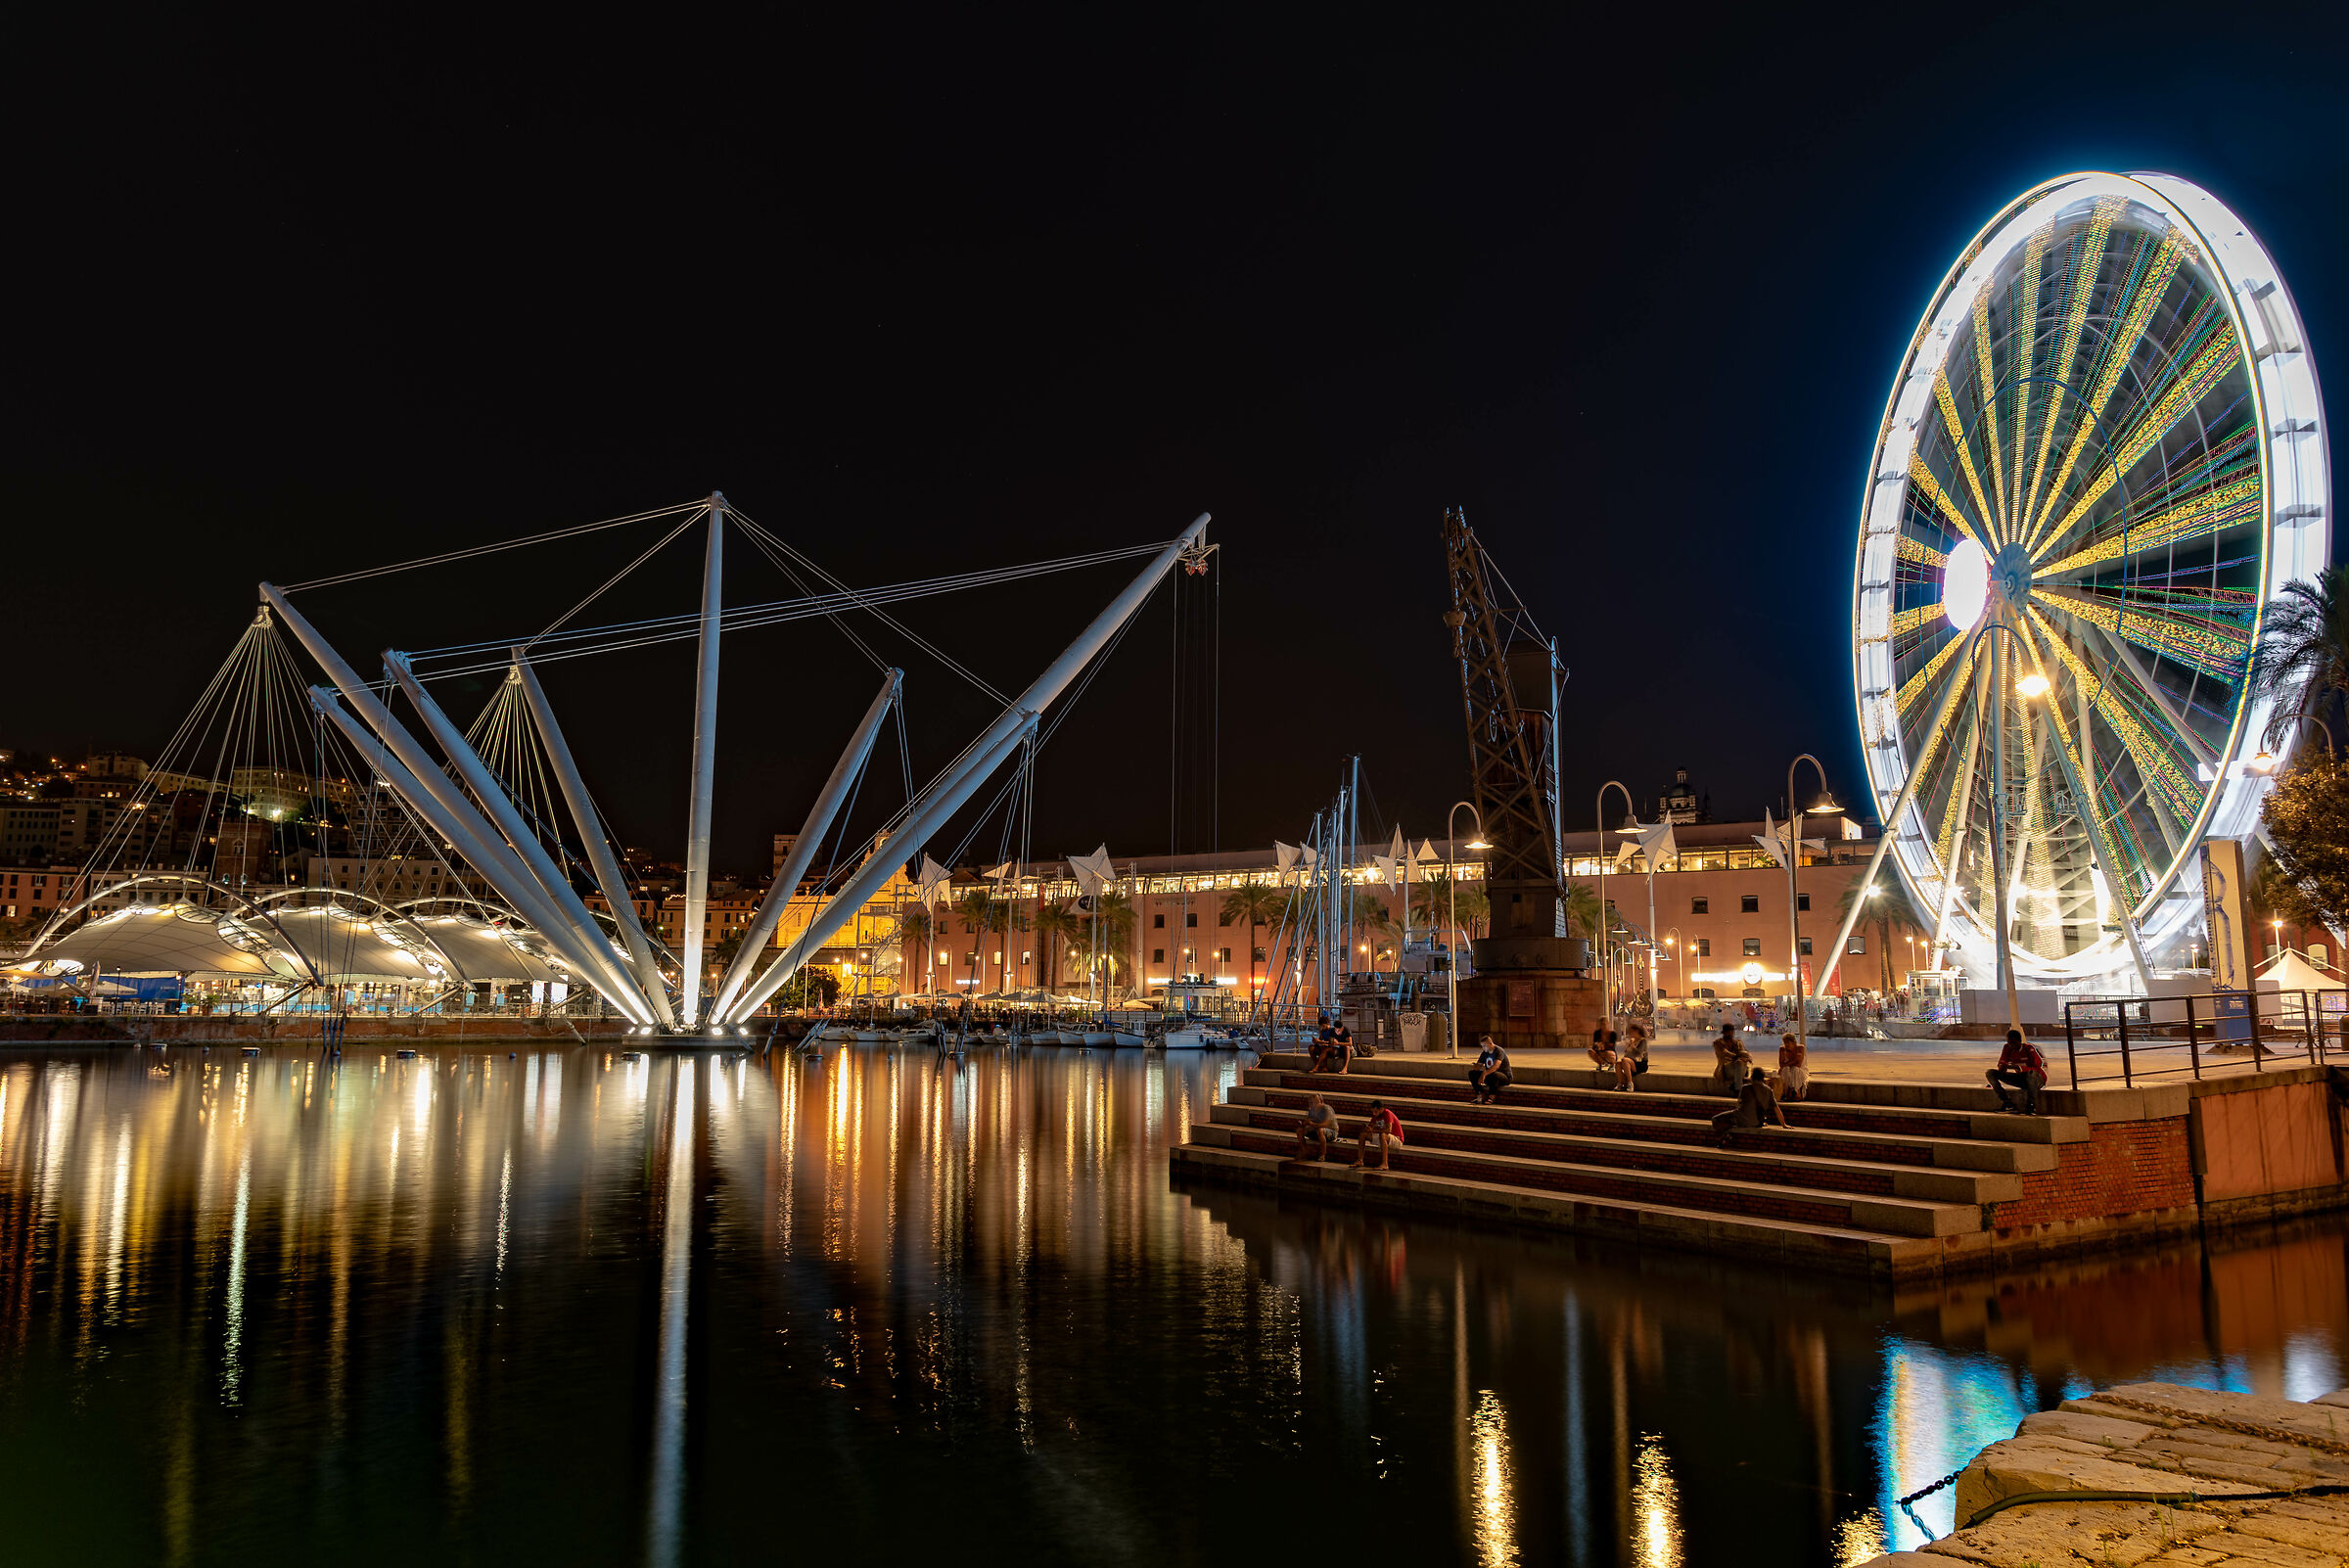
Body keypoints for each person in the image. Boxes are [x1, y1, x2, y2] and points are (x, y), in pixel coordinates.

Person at [1712, 1068, 1788, 1143]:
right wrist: (1783, 1124)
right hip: (1757, 1123)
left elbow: (1739, 1104)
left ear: (1752, 1077)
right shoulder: (1769, 1091)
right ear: (1762, 1078)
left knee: (1715, 1119)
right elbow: (1776, 1109)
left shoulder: (1745, 1088)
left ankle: (1726, 1135)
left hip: (1742, 1119)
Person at [1986, 1029, 2047, 1115]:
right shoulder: (2007, 1048)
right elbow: (2002, 1061)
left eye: (2013, 1043)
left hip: (2037, 1079)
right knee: (1990, 1073)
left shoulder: (2029, 1049)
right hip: (2021, 1079)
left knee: (2031, 1073)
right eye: (2009, 1042)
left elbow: (2037, 1066)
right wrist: (2002, 1067)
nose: (2011, 1045)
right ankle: (2008, 1103)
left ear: (2019, 1041)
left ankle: (2031, 1105)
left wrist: (2016, 1067)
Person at [1353, 1098, 1405, 1170]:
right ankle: (1360, 1160)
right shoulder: (1375, 1115)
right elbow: (1371, 1126)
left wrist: (1373, 1130)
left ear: (1381, 1109)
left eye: (1376, 1112)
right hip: (1383, 1139)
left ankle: (1385, 1164)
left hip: (1397, 1140)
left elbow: (1388, 1130)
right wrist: (1367, 1128)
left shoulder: (1387, 1113)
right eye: (1373, 1112)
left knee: (1383, 1134)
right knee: (1363, 1135)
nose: (1374, 1114)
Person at [1294, 1093, 1340, 1160]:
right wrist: (1303, 1124)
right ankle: (1305, 1152)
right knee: (1299, 1130)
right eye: (1310, 1102)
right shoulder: (1311, 1110)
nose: (1312, 1104)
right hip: (1316, 1130)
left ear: (1321, 1101)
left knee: (1320, 1130)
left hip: (1331, 1132)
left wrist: (1312, 1124)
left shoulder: (1327, 1109)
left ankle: (1323, 1154)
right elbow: (1309, 1121)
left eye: (1314, 1102)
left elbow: (1325, 1124)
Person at [1710, 1023, 1753, 1092]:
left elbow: (1744, 1052)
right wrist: (1738, 1056)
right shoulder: (1718, 1043)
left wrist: (1747, 1057)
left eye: (1732, 1032)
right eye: (1728, 1032)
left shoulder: (1737, 1042)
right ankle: (1738, 1088)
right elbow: (1725, 1054)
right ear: (1724, 1033)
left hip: (1739, 1067)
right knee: (1739, 1062)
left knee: (1741, 1061)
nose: (1731, 1034)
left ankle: (1736, 1086)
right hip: (1726, 1069)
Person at [1469, 1037, 1513, 1104]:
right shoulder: (1485, 1052)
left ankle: (1491, 1098)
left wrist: (1484, 1074)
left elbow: (1496, 1066)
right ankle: (1481, 1096)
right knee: (1472, 1073)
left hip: (1505, 1076)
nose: (1483, 1048)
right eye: (1482, 1046)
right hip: (1490, 1075)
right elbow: (1479, 1065)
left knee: (1494, 1074)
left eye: (1484, 1046)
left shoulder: (1498, 1051)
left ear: (1490, 1044)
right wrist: (1476, 1067)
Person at [1614, 1022, 1650, 1091]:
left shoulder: (1643, 1041)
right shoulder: (1632, 1041)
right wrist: (1627, 1046)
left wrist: (1633, 1046)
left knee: (1624, 1060)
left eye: (1631, 1032)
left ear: (1637, 1031)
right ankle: (1620, 1084)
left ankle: (1630, 1083)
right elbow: (1627, 1054)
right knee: (1618, 1063)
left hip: (1640, 1063)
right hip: (1630, 1062)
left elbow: (1639, 1053)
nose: (1630, 1034)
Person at [1776, 1032, 1810, 1100]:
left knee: (1795, 1069)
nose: (1786, 1045)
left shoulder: (1800, 1048)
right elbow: (1781, 1065)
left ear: (1793, 1042)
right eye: (1785, 1043)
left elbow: (1799, 1064)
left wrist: (1789, 1063)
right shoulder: (1782, 1049)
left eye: (1788, 1043)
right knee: (1785, 1069)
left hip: (1800, 1071)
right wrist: (1794, 1060)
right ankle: (1786, 1092)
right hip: (1788, 1070)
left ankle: (1796, 1092)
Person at [1587, 1019, 1618, 1087]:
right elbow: (1594, 1043)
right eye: (1601, 1024)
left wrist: (1603, 1045)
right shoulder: (1597, 1033)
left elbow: (1612, 1045)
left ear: (1607, 1024)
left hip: (1609, 1051)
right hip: (1599, 1052)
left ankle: (1612, 1064)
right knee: (1590, 1051)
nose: (1603, 1026)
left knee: (1609, 1054)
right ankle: (1600, 1063)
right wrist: (1596, 1045)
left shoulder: (1612, 1033)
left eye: (1604, 1024)